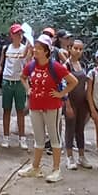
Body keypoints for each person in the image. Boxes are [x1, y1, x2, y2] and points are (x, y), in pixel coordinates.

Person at [17, 34, 78, 183]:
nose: (35, 50)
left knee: (54, 137)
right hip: (35, 106)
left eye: (39, 48)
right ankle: (35, 167)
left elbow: (73, 81)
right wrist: (28, 89)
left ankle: (56, 170)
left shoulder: (55, 66)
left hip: (52, 107)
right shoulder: (31, 65)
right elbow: (22, 77)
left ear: (46, 51)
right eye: (35, 48)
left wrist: (61, 94)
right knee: (38, 138)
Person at [62, 39, 92, 170]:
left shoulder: (83, 64)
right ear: (70, 49)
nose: (78, 51)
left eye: (80, 49)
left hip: (82, 102)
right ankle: (69, 157)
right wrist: (67, 104)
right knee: (70, 128)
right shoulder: (66, 66)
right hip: (71, 101)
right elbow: (63, 85)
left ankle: (81, 156)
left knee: (80, 128)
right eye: (75, 48)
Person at [0, 24, 30, 149]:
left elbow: (27, 60)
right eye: (16, 33)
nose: (19, 35)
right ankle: (5, 137)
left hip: (19, 82)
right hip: (7, 80)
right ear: (11, 35)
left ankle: (22, 138)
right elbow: (1, 63)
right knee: (6, 110)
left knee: (20, 111)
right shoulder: (6, 48)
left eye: (20, 33)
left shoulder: (25, 48)